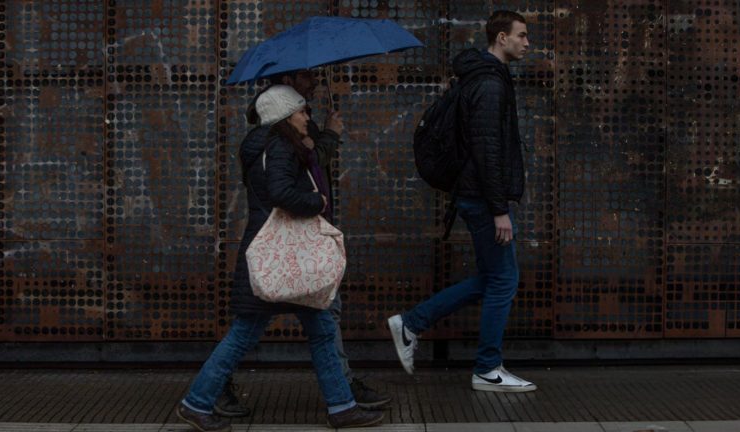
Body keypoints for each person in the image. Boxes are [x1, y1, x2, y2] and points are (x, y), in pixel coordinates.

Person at [177, 85, 384, 431]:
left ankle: (342, 406)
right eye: (302, 111)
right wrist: (317, 202)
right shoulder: (280, 147)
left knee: (313, 330)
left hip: (276, 256)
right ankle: (197, 402)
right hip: (285, 256)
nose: (307, 117)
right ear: (286, 115)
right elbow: (282, 193)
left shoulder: (261, 145)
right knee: (249, 334)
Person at [387, 10, 537, 393]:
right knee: (504, 280)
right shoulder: (489, 84)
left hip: (474, 196)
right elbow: (487, 150)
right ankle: (487, 367)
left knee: (492, 278)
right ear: (501, 38)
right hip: (483, 199)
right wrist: (499, 208)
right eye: (520, 35)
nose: (527, 42)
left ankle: (411, 323)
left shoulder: (484, 77)